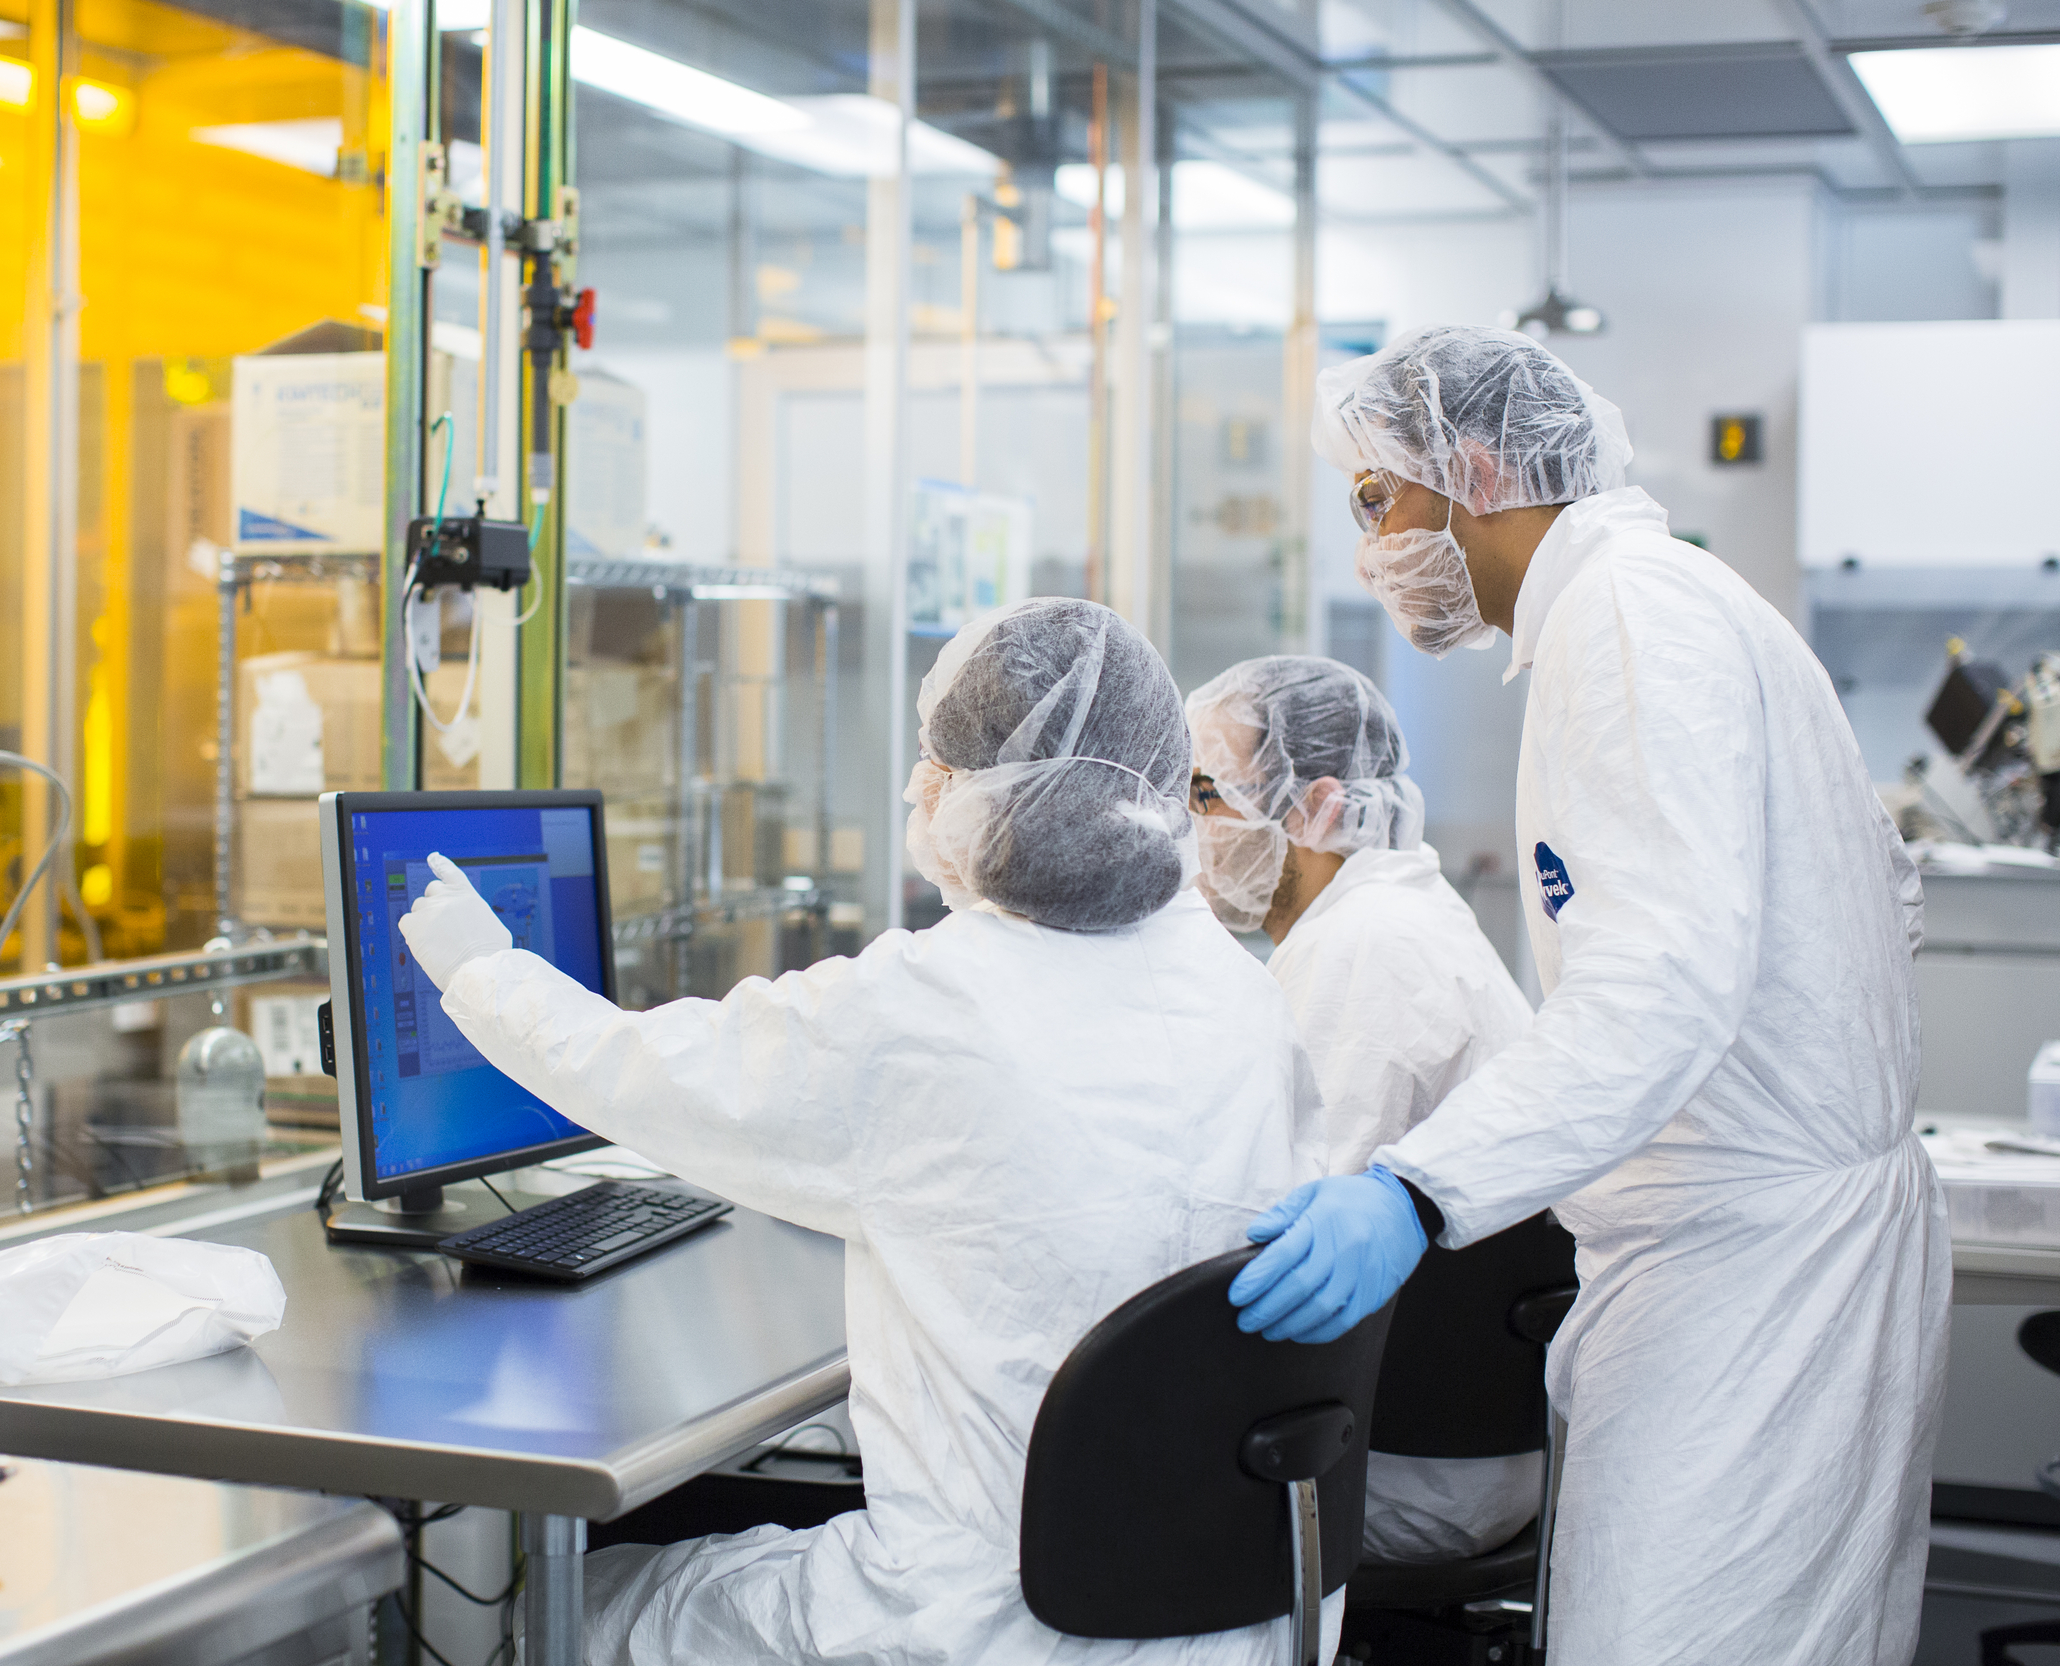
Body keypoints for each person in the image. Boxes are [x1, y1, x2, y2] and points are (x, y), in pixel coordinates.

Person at [398, 597, 1332, 1666]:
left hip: (996, 1623)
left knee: (575, 1607)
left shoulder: (933, 1003)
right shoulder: (1236, 987)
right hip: (1249, 1612)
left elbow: (641, 1071)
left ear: (998, 796)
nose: (918, 786)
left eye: (942, 763)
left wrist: (482, 971)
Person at [1226, 324, 1949, 1665]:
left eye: (1378, 498)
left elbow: (1659, 982)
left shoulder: (1630, 618)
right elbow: (1875, 895)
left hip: (1749, 1281)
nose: (1370, 547)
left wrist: (1416, 1189)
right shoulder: (1658, 604)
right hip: (1759, 1251)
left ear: (1479, 467)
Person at [1185, 654, 1540, 1565]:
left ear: (1316, 807)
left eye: (1207, 795)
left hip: (1404, 1471)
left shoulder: (1364, 948)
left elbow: (1267, 1236)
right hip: (1442, 1442)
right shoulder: (1389, 917)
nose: (1187, 828)